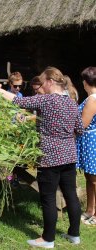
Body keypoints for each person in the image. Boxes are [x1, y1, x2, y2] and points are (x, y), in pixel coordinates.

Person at [0, 66, 83, 248]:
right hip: (69, 156)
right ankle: (74, 235)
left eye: (43, 82)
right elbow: (79, 129)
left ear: (50, 82)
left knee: (48, 198)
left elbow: (18, 102)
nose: (42, 86)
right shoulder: (71, 102)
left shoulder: (46, 100)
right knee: (71, 195)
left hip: (50, 158)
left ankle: (47, 239)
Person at [76, 66, 96, 226]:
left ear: (86, 81)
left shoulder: (93, 99)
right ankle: (90, 210)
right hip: (88, 141)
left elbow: (82, 124)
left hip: (91, 142)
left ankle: (95, 214)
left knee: (94, 179)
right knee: (90, 178)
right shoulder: (90, 97)